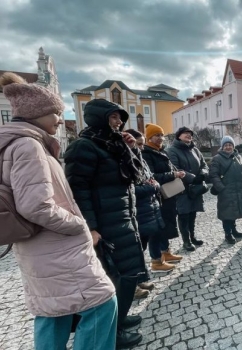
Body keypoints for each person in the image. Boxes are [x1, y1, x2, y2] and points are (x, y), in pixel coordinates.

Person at [0, 72, 117, 350]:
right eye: (56, 112)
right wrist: (77, 224)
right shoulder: (29, 145)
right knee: (101, 303)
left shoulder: (14, 142)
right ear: (37, 112)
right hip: (57, 249)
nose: (60, 119)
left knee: (53, 311)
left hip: (38, 250)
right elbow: (36, 206)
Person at [65, 98, 150, 348]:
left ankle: (119, 319)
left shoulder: (116, 145)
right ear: (99, 117)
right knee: (115, 277)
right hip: (104, 223)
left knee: (129, 274)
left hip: (124, 218)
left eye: (120, 118)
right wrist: (90, 226)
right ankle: (111, 332)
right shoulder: (84, 146)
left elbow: (138, 175)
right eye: (113, 117)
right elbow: (77, 190)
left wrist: (133, 149)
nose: (119, 122)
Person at [125, 129, 173, 290]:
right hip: (138, 210)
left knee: (144, 245)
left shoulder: (140, 160)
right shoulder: (125, 162)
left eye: (142, 144)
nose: (141, 148)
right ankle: (134, 283)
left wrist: (154, 186)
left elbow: (151, 180)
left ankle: (140, 278)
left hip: (149, 207)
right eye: (138, 144)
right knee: (136, 249)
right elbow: (130, 189)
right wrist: (152, 188)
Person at [141, 123, 184, 265]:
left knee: (165, 224)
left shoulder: (161, 151)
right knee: (157, 228)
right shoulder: (146, 153)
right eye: (156, 135)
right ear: (149, 137)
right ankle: (156, 259)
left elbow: (169, 168)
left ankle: (166, 251)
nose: (160, 138)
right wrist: (173, 174)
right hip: (157, 196)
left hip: (167, 195)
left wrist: (177, 172)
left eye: (161, 135)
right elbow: (152, 176)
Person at [167, 126, 209, 251]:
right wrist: (192, 177)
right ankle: (186, 241)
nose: (188, 135)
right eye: (185, 133)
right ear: (178, 135)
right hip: (182, 189)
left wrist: (203, 173)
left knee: (193, 214)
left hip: (196, 188)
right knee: (184, 214)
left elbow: (204, 164)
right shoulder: (172, 150)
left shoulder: (195, 150)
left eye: (190, 133)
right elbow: (174, 168)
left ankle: (192, 237)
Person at [209, 136, 242, 244]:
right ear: (222, 147)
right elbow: (213, 175)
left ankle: (234, 230)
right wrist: (221, 187)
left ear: (233, 146)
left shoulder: (238, 157)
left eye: (230, 145)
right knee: (226, 212)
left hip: (238, 189)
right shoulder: (217, 158)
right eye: (226, 145)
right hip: (226, 190)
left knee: (234, 211)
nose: (228, 147)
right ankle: (228, 233)